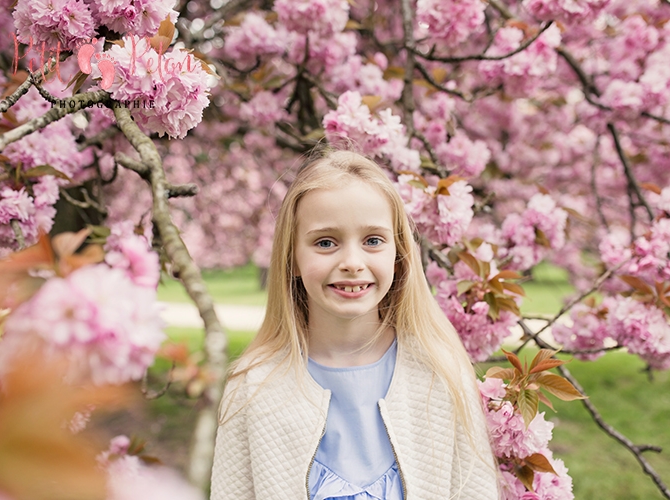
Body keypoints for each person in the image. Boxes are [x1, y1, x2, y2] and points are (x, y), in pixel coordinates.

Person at [209, 149, 499, 499]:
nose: (351, 262)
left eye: (373, 241)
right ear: (293, 259)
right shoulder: (253, 386)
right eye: (325, 242)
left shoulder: (441, 374)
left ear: (399, 252)